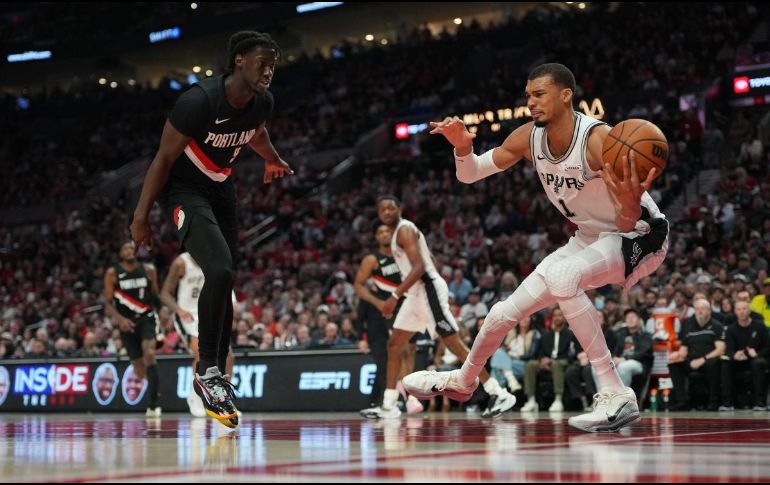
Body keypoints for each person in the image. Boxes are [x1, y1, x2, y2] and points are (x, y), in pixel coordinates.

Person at [404, 63, 668, 432]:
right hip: (590, 236)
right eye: (528, 95)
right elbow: (471, 174)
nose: (530, 102)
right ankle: (464, 381)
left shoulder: (597, 141)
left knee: (563, 277)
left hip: (639, 233)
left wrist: (629, 202)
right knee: (500, 313)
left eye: (539, 94)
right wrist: (464, 149)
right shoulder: (528, 137)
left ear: (565, 95)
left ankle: (615, 392)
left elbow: (625, 222)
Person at [129, 31, 293, 428]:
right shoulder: (197, 101)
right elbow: (163, 159)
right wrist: (140, 216)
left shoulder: (262, 102)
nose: (268, 70)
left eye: (273, 64)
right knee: (218, 269)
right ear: (238, 60)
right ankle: (208, 370)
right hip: (183, 191)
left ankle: (216, 374)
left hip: (222, 189)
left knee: (227, 282)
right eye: (261, 62)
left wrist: (272, 158)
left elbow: (256, 130)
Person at [369, 196, 516, 419]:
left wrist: (394, 296)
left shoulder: (404, 230)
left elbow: (420, 267)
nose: (387, 212)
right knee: (394, 344)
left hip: (427, 290)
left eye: (391, 207)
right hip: (416, 294)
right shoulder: (398, 234)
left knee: (453, 344)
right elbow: (430, 259)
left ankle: (498, 392)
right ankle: (389, 404)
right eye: (383, 209)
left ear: (400, 209)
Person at [354, 221, 423, 415]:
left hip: (410, 305)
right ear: (376, 237)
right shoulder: (372, 260)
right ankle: (396, 399)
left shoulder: (404, 255)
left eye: (388, 231)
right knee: (396, 352)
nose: (385, 234)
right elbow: (358, 287)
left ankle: (408, 394)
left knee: (409, 351)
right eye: (381, 231)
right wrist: (379, 303)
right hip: (389, 311)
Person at [160, 252, 236, 417]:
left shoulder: (215, 258)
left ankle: (223, 400)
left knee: (228, 356)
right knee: (200, 353)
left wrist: (232, 303)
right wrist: (179, 310)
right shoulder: (181, 263)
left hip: (209, 313)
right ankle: (195, 397)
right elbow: (165, 293)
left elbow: (224, 284)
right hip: (187, 315)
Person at [103, 241, 162, 416]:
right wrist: (120, 319)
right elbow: (107, 301)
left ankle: (154, 403)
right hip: (126, 322)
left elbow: (156, 296)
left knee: (149, 353)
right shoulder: (113, 273)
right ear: (121, 253)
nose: (130, 250)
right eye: (126, 248)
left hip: (146, 317)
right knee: (138, 367)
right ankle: (153, 388)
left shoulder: (149, 270)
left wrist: (163, 314)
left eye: (132, 248)